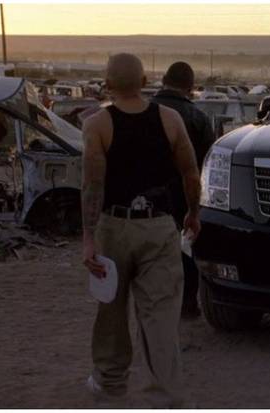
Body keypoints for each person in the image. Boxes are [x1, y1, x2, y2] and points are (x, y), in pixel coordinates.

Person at [81, 53, 201, 407]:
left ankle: (110, 383)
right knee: (160, 317)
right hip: (159, 227)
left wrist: (88, 238)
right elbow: (190, 174)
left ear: (107, 84)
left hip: (114, 227)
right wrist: (193, 214)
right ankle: (165, 396)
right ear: (146, 81)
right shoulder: (170, 119)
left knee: (111, 309)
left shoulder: (97, 124)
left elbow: (92, 186)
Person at [151, 61, 216, 318]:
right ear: (190, 88)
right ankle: (187, 303)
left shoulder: (144, 112)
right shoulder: (196, 117)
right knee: (186, 248)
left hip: (147, 196)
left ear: (164, 80)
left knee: (151, 251)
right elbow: (207, 162)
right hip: (184, 194)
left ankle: (156, 302)